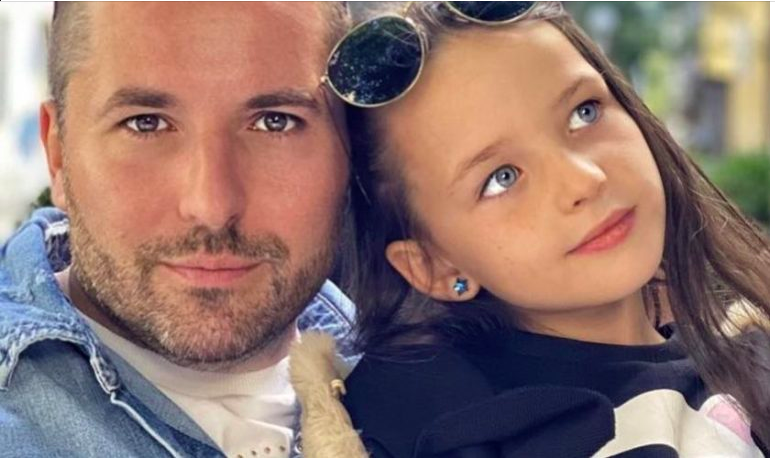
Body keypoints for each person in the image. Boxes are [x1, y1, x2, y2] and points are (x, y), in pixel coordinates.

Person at [311, 1, 769, 457]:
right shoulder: (434, 428)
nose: (585, 180)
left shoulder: (750, 353)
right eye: (502, 178)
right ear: (432, 265)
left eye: (584, 113)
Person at [0, 2, 359, 457]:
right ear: (58, 155)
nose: (212, 207)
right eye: (145, 124)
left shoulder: (415, 374)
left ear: (352, 148)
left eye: (275, 122)